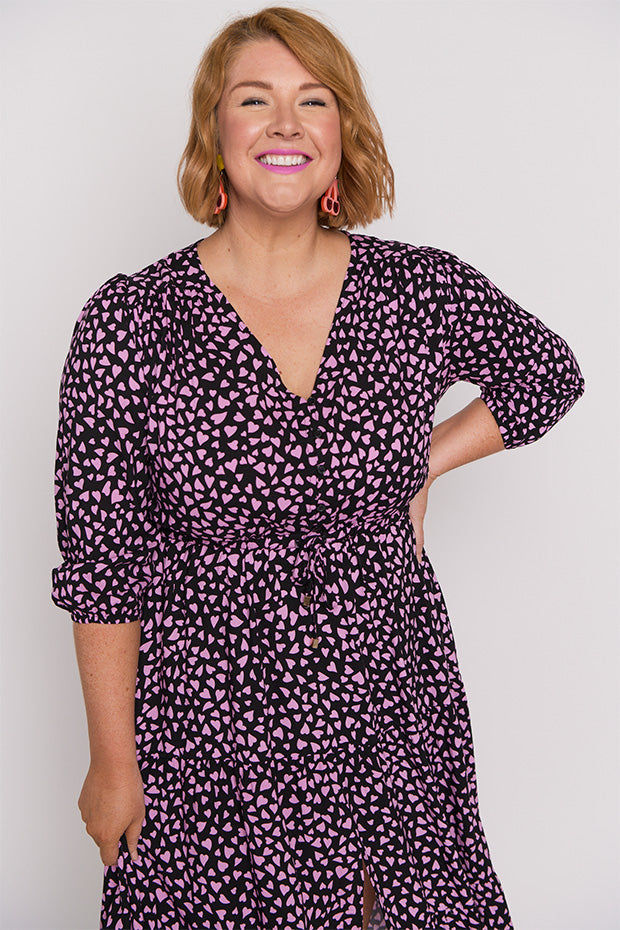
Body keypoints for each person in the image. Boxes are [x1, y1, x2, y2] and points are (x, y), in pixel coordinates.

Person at [50, 6, 585, 930]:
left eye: (314, 99)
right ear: (215, 133)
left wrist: (423, 461)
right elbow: (105, 563)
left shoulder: (415, 290)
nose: (286, 123)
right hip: (211, 723)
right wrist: (111, 759)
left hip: (389, 706)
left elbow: (546, 375)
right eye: (254, 99)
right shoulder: (132, 321)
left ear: (343, 132)